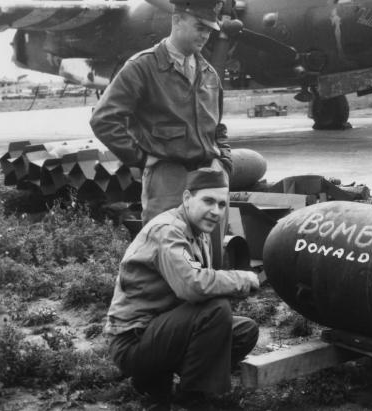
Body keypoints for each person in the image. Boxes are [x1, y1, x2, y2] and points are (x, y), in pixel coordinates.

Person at [105, 167, 260, 411]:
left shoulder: (198, 230)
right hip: (133, 341)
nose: (215, 211)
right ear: (187, 198)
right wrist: (242, 279)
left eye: (221, 204)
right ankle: (191, 399)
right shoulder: (170, 231)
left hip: (162, 330)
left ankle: (161, 381)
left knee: (243, 331)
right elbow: (193, 286)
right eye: (208, 201)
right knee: (216, 310)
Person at [89, 0, 233, 227]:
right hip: (167, 178)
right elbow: (103, 119)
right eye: (199, 27)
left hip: (209, 176)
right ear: (177, 21)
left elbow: (217, 127)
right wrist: (141, 158)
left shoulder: (209, 73)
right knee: (165, 247)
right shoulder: (142, 67)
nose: (205, 35)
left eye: (209, 30)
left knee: (208, 255)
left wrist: (224, 161)